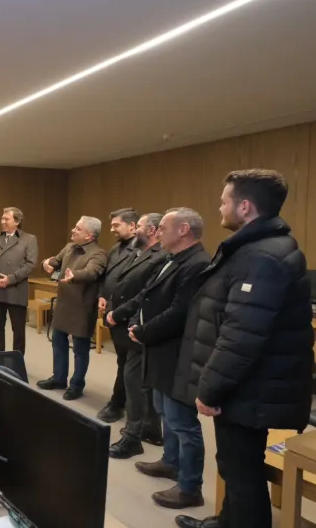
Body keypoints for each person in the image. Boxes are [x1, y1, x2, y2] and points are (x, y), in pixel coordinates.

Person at [173, 170, 313, 528]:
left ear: (245, 206)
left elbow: (241, 335)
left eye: (225, 201)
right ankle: (228, 521)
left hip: (252, 387)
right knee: (234, 465)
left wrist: (210, 388)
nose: (220, 207)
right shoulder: (255, 248)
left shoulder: (262, 257)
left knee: (242, 471)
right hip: (250, 384)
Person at [110, 208, 211, 511]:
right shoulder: (172, 258)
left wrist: (143, 332)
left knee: (182, 421)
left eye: (164, 227)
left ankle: (190, 487)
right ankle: (171, 462)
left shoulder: (197, 263)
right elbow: (146, 295)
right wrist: (130, 318)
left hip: (178, 353)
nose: (158, 232)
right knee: (165, 411)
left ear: (183, 230)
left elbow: (179, 313)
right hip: (159, 349)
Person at [103, 213, 168, 459]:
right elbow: (120, 281)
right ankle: (151, 429)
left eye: (139, 226)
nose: (135, 230)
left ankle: (133, 436)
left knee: (134, 380)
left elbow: (144, 294)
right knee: (139, 379)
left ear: (151, 230)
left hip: (139, 325)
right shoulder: (137, 251)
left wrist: (118, 314)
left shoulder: (160, 256)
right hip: (126, 321)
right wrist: (110, 305)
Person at [36, 217, 108, 400]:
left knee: (80, 350)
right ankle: (59, 379)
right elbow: (55, 261)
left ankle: (76, 385)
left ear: (89, 235)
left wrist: (74, 275)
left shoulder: (99, 254)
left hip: (82, 307)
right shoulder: (69, 247)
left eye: (78, 228)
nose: (73, 231)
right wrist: (46, 262)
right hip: (63, 304)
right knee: (58, 343)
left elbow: (92, 272)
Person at [96, 207, 141, 423]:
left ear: (132, 226)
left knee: (127, 363)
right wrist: (102, 296)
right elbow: (108, 277)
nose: (112, 229)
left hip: (128, 314)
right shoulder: (115, 249)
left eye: (116, 225)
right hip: (112, 312)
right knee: (122, 360)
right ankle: (121, 400)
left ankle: (118, 403)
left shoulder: (141, 250)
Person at [0, 207, 38, 354]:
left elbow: (30, 264)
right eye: (2, 218)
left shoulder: (29, 239)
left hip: (16, 291)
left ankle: (16, 362)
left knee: (18, 332)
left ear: (17, 221)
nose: (2, 221)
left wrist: (10, 279)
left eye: (6, 219)